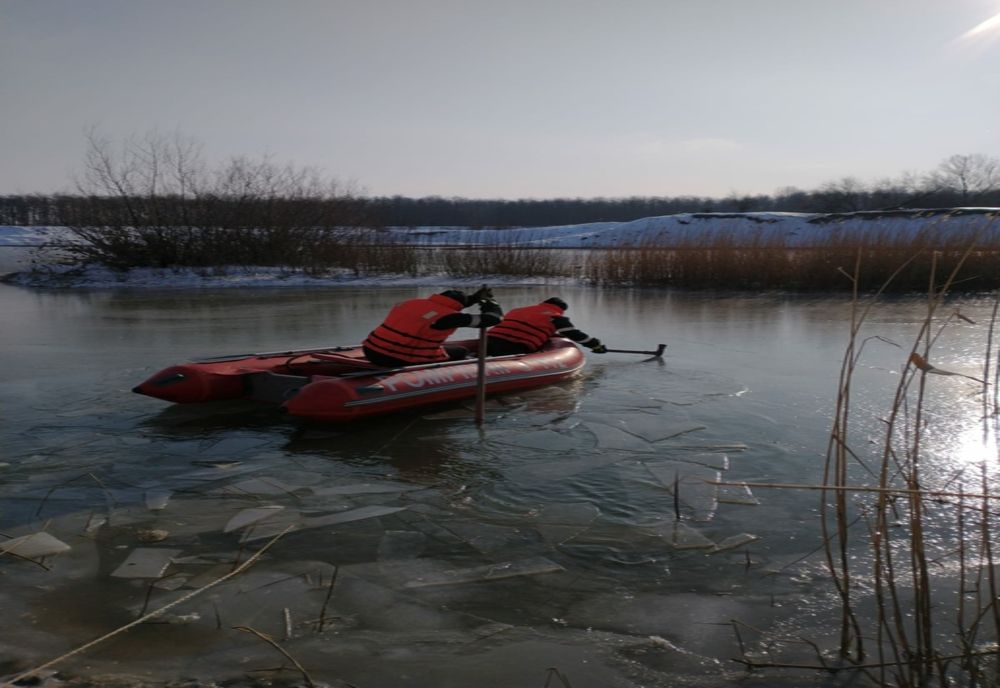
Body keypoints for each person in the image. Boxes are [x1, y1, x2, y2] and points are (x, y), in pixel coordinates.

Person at [362, 287, 502, 367]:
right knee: (461, 351)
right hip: (400, 358)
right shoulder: (449, 317)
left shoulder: (411, 303)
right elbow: (493, 319)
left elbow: (449, 305)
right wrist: (491, 304)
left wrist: (476, 298)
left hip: (370, 350)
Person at [485, 296, 606, 356]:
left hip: (488, 341)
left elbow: (520, 326)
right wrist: (595, 345)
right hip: (515, 346)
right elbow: (574, 334)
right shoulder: (556, 317)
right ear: (562, 310)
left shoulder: (517, 310)